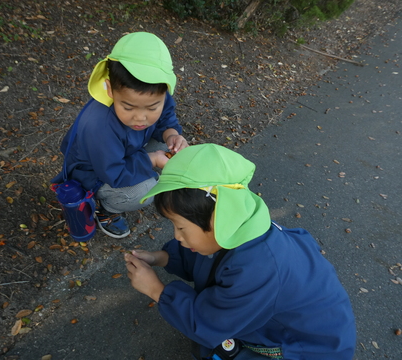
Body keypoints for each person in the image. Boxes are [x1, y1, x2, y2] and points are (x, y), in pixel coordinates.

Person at [124, 143, 356, 360]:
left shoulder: (256, 269)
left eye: (181, 227)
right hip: (296, 325)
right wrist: (160, 258)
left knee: (210, 343)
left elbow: (209, 322)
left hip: (307, 350)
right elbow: (204, 253)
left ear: (219, 218)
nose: (176, 235)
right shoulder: (240, 228)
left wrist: (157, 291)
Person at [52, 32, 188, 239]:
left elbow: (166, 117)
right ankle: (107, 210)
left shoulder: (158, 94)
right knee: (145, 190)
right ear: (110, 89)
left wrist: (171, 135)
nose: (140, 118)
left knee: (167, 150)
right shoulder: (100, 126)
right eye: (128, 106)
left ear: (164, 92)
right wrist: (152, 159)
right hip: (95, 174)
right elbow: (113, 173)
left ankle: (147, 161)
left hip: (124, 151)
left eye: (152, 107)